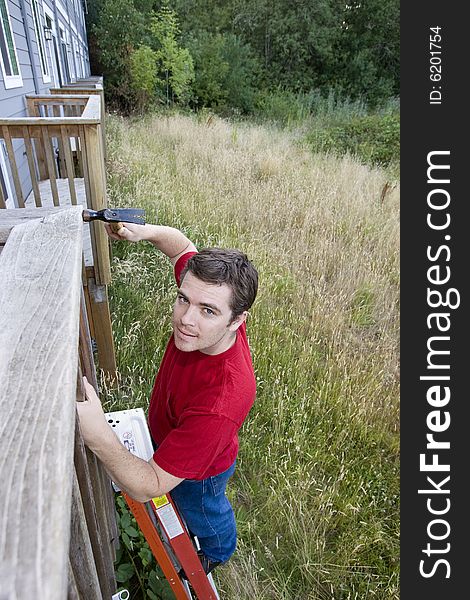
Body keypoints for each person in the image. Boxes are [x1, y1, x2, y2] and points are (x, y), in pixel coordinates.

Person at [77, 222, 258, 575]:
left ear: (238, 321)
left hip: (202, 471)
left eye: (207, 311)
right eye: (183, 299)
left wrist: (98, 435)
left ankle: (219, 550)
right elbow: (181, 248)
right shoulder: (217, 303)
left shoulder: (220, 401)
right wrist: (142, 233)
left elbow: (150, 486)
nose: (186, 320)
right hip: (174, 435)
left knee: (202, 509)